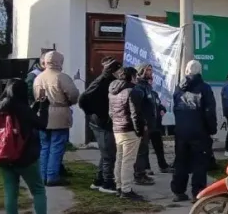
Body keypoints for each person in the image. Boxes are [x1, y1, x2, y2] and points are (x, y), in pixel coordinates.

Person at [0, 79, 63, 214]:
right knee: (37, 189)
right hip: (25, 156)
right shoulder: (22, 109)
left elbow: (26, 119)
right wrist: (44, 106)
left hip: (3, 155)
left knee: (10, 190)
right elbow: (41, 124)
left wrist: (35, 105)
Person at [171, 60, 217, 202]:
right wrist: (212, 129)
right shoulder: (204, 88)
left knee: (181, 161)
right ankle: (197, 193)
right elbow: (209, 111)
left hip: (181, 130)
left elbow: (175, 108)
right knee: (199, 163)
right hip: (199, 131)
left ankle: (178, 191)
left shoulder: (179, 88)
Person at [32, 51, 80, 187]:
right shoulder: (61, 77)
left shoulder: (38, 77)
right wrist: (69, 102)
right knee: (57, 146)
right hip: (59, 113)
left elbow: (36, 95)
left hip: (42, 114)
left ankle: (42, 176)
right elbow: (73, 94)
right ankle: (52, 176)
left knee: (44, 146)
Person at [79, 57, 121, 194]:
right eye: (119, 69)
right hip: (101, 122)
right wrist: (93, 113)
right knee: (109, 154)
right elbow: (83, 98)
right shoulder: (102, 81)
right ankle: (108, 183)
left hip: (103, 120)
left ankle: (98, 180)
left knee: (106, 153)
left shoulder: (109, 81)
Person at [108, 67, 147, 201]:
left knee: (120, 158)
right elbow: (135, 114)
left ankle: (119, 186)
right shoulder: (132, 92)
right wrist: (139, 131)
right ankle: (126, 189)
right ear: (131, 77)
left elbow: (111, 112)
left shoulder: (112, 91)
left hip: (117, 128)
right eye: (135, 76)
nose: (137, 79)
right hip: (129, 130)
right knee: (128, 161)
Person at [134, 64, 170, 177]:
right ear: (141, 72)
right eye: (148, 70)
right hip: (145, 123)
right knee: (144, 148)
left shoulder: (150, 89)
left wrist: (162, 108)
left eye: (151, 70)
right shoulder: (139, 87)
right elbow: (138, 106)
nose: (150, 72)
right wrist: (142, 121)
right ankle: (146, 167)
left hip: (155, 123)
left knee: (158, 145)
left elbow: (156, 102)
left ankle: (163, 165)